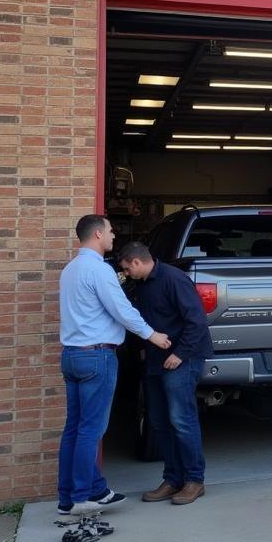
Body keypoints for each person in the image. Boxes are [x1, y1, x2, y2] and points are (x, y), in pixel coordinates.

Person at [58, 215, 171, 516]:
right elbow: (122, 310)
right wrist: (153, 335)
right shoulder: (99, 270)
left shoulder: (70, 270)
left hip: (71, 355)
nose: (113, 234)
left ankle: (72, 497)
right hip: (97, 356)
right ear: (97, 234)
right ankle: (83, 496)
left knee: (75, 428)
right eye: (110, 230)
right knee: (91, 430)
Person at [119, 241, 214, 505]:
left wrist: (180, 354)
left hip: (183, 359)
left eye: (127, 269)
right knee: (159, 421)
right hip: (155, 361)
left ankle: (194, 481)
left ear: (137, 262)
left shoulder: (174, 279)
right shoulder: (141, 284)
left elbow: (197, 320)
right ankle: (172, 479)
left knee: (181, 421)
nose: (126, 273)